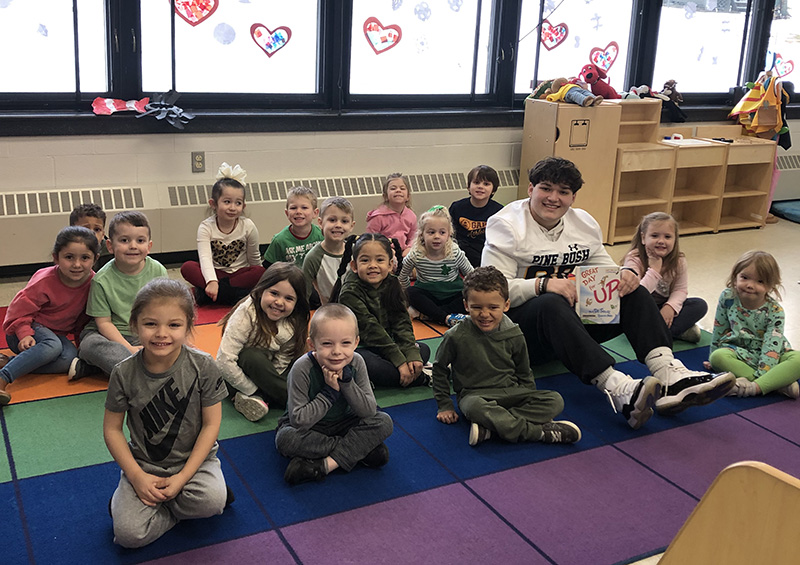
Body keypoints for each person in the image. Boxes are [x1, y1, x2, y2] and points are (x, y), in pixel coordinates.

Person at [482, 157, 734, 429]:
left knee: (633, 292)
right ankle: (617, 387)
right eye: (546, 188)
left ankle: (670, 375)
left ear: (573, 197)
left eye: (563, 192)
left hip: (568, 330)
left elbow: (604, 270)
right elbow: (492, 291)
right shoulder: (506, 224)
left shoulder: (584, 224)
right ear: (531, 189)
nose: (554, 198)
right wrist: (542, 285)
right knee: (551, 302)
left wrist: (626, 274)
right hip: (522, 336)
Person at [103, 278, 231, 548]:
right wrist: (137, 478)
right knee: (128, 536)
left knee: (212, 502)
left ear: (188, 327)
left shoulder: (203, 366)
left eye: (174, 325)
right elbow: (112, 429)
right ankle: (156, 505)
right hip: (145, 465)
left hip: (194, 464)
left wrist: (183, 478)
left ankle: (160, 504)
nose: (162, 333)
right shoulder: (123, 373)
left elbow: (211, 425)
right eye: (151, 324)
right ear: (135, 325)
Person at [433, 266, 581, 446]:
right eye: (476, 307)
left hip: (513, 395)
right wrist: (445, 405)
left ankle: (493, 428)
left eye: (493, 307)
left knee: (555, 401)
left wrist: (528, 396)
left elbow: (524, 371)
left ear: (506, 305)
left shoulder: (514, 333)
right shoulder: (455, 336)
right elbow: (439, 369)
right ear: (466, 305)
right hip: (476, 397)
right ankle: (538, 433)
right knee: (474, 408)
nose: (485, 314)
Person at [275, 303, 393, 485]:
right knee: (285, 439)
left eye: (345, 343)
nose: (337, 351)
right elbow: (299, 420)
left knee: (384, 422)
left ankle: (324, 465)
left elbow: (369, 411)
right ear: (312, 344)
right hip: (312, 427)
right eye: (327, 344)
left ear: (356, 342)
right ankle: (358, 451)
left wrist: (347, 383)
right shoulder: (301, 368)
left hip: (346, 422)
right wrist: (329, 393)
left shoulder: (357, 362)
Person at [0, 226, 99, 405]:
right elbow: (18, 310)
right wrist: (24, 332)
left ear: (95, 259)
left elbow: (84, 319)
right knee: (52, 346)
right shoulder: (44, 280)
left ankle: (11, 362)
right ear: (56, 258)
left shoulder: (94, 282)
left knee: (69, 360)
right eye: (69, 257)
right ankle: (3, 377)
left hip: (55, 336)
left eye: (85, 258)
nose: (77, 264)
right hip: (24, 331)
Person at [71, 211, 168, 380]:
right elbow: (104, 323)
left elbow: (166, 310)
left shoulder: (158, 270)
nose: (133, 246)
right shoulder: (101, 280)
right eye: (124, 240)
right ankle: (140, 371)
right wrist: (127, 348)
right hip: (110, 336)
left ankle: (95, 368)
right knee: (89, 345)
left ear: (149, 246)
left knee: (177, 346)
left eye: (140, 241)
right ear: (110, 246)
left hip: (144, 334)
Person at [333, 233, 430, 388]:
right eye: (365, 260)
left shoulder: (392, 283)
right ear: (354, 266)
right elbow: (371, 330)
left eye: (379, 260)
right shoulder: (350, 292)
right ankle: (417, 378)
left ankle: (402, 374)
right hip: (362, 347)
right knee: (369, 365)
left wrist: (410, 353)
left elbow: (401, 321)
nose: (373, 265)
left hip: (389, 343)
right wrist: (399, 360)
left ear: (390, 264)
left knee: (422, 350)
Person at [217, 262, 310, 422]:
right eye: (274, 293)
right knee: (251, 356)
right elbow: (224, 361)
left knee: (301, 363)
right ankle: (297, 402)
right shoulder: (247, 313)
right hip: (238, 371)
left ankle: (261, 399)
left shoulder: (293, 321)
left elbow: (284, 359)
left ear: (297, 302)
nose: (279, 302)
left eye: (288, 298)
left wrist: (269, 383)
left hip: (269, 372)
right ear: (261, 291)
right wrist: (253, 389)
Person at [707, 250, 800, 399]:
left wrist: (762, 373)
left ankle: (755, 387)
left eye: (760, 281)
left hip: (774, 354)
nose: (750, 285)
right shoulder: (728, 297)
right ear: (735, 277)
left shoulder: (775, 311)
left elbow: (772, 347)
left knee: (798, 359)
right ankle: (777, 383)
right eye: (744, 277)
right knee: (718, 357)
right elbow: (720, 327)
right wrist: (712, 355)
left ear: (771, 286)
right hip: (740, 351)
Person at [180, 163, 265, 305]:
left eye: (238, 203)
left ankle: (210, 295)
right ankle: (230, 295)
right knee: (187, 267)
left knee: (260, 271)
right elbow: (205, 258)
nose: (232, 207)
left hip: (238, 275)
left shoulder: (248, 226)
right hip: (215, 274)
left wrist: (260, 280)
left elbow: (254, 258)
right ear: (213, 203)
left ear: (243, 206)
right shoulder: (206, 227)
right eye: (227, 202)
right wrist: (212, 281)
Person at [622, 212, 707, 343]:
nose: (661, 241)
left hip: (662, 307)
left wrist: (670, 308)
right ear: (643, 238)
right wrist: (654, 269)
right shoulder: (634, 258)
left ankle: (655, 331)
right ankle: (670, 332)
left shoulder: (678, 260)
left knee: (699, 305)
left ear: (675, 240)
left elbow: (680, 290)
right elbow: (638, 293)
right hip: (640, 306)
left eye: (667, 237)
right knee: (629, 313)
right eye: (655, 236)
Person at [398, 206, 473, 327]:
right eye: (431, 232)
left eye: (442, 232)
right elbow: (402, 277)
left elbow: (471, 275)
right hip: (428, 295)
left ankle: (429, 314)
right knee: (411, 292)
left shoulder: (455, 253)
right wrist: (407, 297)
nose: (437, 236)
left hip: (452, 295)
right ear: (422, 234)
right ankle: (445, 317)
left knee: (468, 295)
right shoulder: (415, 255)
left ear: (449, 234)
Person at [303, 197, 356, 305]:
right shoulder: (313, 257)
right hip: (330, 313)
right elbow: (304, 294)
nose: (338, 225)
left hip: (359, 310)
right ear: (320, 222)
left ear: (351, 226)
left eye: (344, 221)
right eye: (332, 220)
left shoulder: (357, 251)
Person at [449, 165, 505, 267]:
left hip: (485, 251)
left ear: (493, 190)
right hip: (460, 251)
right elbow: (449, 233)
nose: (480, 186)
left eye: (486, 184)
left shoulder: (499, 211)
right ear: (468, 186)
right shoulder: (456, 207)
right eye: (476, 182)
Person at [262, 185, 323, 269]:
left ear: (315, 213)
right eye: (293, 208)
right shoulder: (279, 240)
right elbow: (268, 268)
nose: (298, 211)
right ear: (287, 213)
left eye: (304, 207)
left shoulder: (322, 235)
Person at [366, 173, 417, 256]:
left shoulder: (411, 216)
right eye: (393, 188)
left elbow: (413, 237)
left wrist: (409, 248)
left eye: (402, 188)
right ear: (385, 196)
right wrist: (386, 250)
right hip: (383, 253)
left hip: (404, 253)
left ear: (408, 196)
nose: (398, 190)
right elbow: (370, 239)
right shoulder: (378, 217)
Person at [70, 202, 113, 268]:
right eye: (85, 229)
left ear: (103, 235)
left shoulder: (111, 253)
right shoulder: (66, 251)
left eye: (97, 230)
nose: (92, 233)